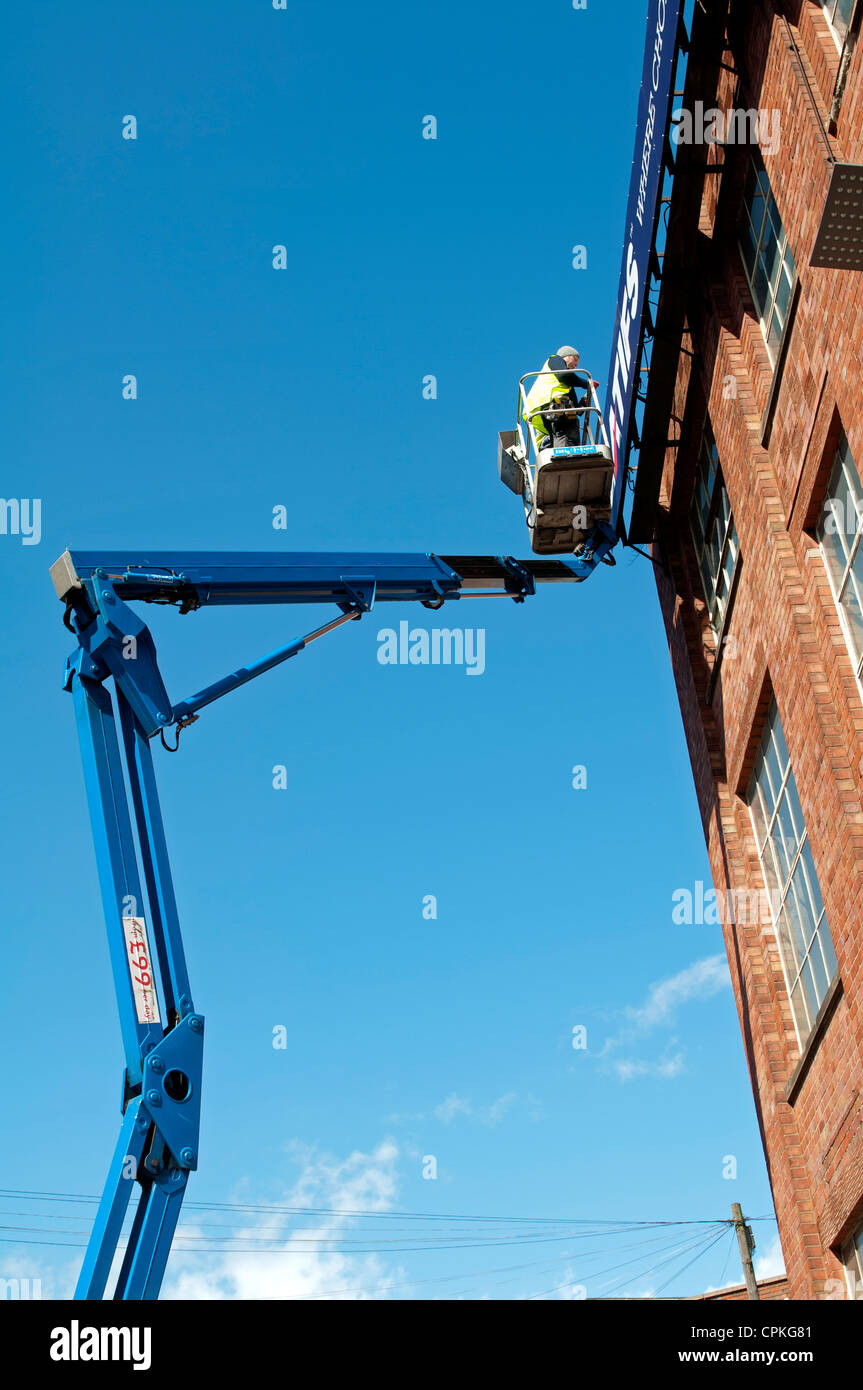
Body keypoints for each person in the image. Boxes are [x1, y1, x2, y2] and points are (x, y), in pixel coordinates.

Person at [522, 346, 585, 453]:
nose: (576, 365)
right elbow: (564, 375)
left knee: (571, 425)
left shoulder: (567, 385)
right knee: (562, 428)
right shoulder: (555, 360)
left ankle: (567, 454)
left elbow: (578, 410)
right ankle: (562, 456)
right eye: (575, 360)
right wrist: (586, 383)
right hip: (549, 402)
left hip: (554, 406)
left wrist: (585, 400)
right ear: (566, 356)